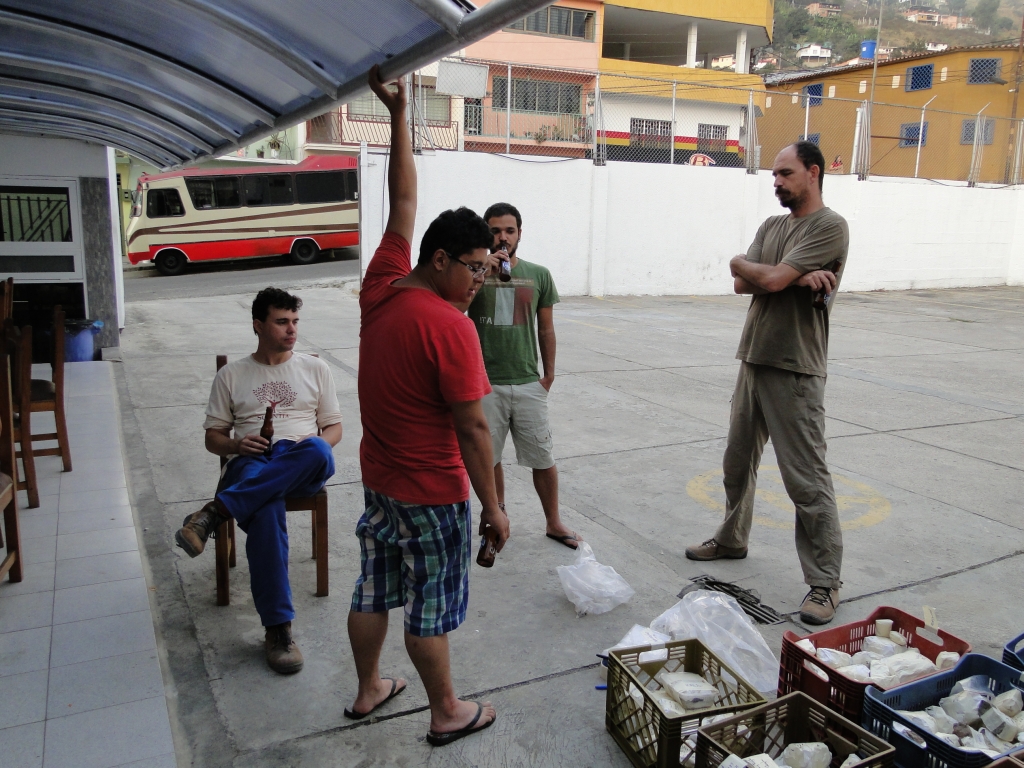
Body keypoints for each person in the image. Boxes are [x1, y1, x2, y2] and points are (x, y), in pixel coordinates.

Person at [346, 66, 510, 747]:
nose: (481, 279)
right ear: (442, 261)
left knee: (372, 588)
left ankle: (368, 689)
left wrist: (398, 115)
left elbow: (402, 201)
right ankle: (445, 711)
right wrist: (496, 507)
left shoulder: (383, 284)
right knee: (430, 604)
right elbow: (474, 427)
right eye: (473, 266)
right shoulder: (451, 326)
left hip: (382, 483)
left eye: (488, 268)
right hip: (432, 491)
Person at [684, 141, 849, 626]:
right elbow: (745, 282)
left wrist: (768, 274)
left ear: (812, 173)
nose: (776, 182)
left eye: (785, 173)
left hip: (795, 367)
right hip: (754, 357)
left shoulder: (828, 226)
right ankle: (733, 538)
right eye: (773, 175)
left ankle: (824, 582)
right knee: (737, 462)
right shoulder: (773, 226)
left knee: (806, 480)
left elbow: (769, 280)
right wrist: (781, 275)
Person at [175, 287, 342, 672]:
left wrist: (311, 443)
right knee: (265, 510)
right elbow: (212, 439)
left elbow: (333, 428)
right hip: (251, 461)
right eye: (282, 322)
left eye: (295, 322)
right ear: (258, 325)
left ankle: (217, 511)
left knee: (318, 449)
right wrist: (236, 443)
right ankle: (278, 629)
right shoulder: (231, 374)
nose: (291, 330)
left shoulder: (316, 368)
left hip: (301, 461)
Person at [467, 203, 578, 549]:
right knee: (490, 458)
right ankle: (496, 518)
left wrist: (549, 375)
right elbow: (449, 309)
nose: (503, 237)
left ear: (519, 233)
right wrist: (480, 270)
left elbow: (546, 329)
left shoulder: (538, 274)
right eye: (496, 231)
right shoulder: (471, 272)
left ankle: (554, 522)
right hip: (485, 383)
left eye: (509, 230)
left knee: (542, 457)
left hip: (528, 381)